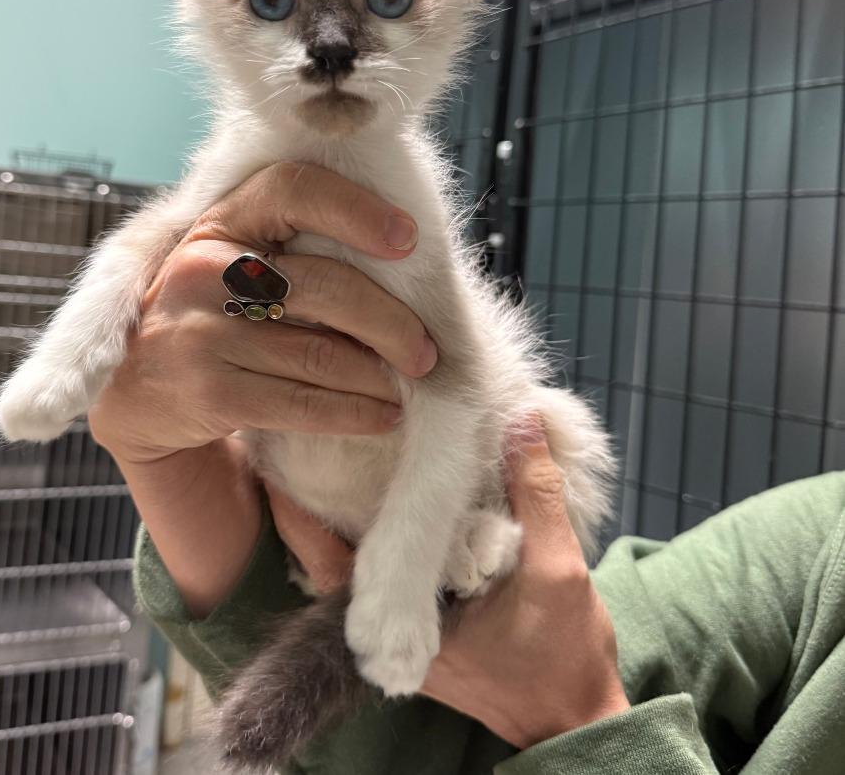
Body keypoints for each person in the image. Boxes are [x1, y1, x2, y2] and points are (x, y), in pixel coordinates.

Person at [89, 163, 845, 775]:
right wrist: (165, 452)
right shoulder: (818, 546)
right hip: (359, 537)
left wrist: (580, 714)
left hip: (436, 510)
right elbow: (631, 648)